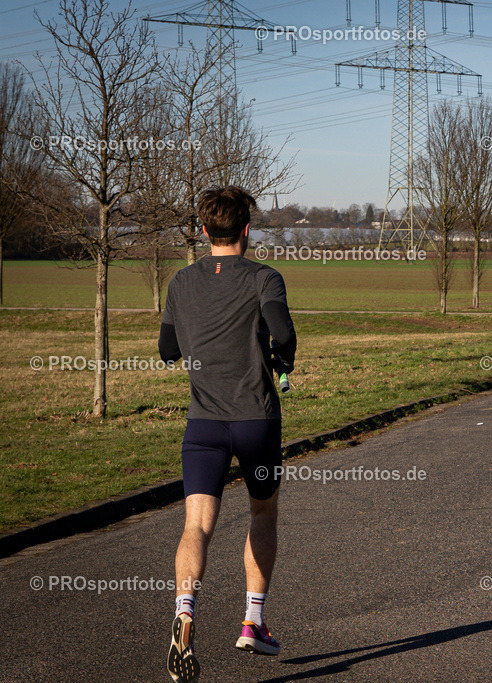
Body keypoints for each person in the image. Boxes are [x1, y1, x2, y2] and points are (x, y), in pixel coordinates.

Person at [159, 187, 296, 683]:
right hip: (256, 420)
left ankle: (186, 609)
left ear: (202, 231)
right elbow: (281, 333)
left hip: (204, 424)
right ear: (245, 230)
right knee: (263, 510)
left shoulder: (180, 281)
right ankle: (253, 622)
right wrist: (284, 355)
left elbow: (167, 350)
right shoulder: (265, 277)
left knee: (197, 524)